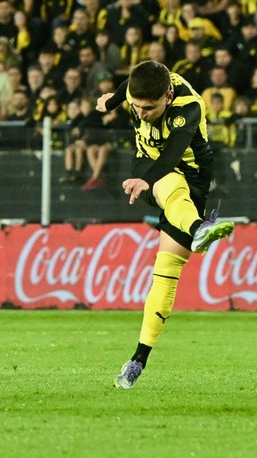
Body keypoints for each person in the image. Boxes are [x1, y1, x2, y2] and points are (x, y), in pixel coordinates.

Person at [96, 60, 235, 389]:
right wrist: (112, 101)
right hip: (148, 166)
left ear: (168, 97)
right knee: (170, 187)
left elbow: (173, 153)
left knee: (166, 272)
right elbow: (127, 88)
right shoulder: (139, 91)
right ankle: (199, 229)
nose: (142, 114)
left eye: (150, 108)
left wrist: (148, 180)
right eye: (137, 107)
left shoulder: (189, 106)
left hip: (191, 177)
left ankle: (137, 361)